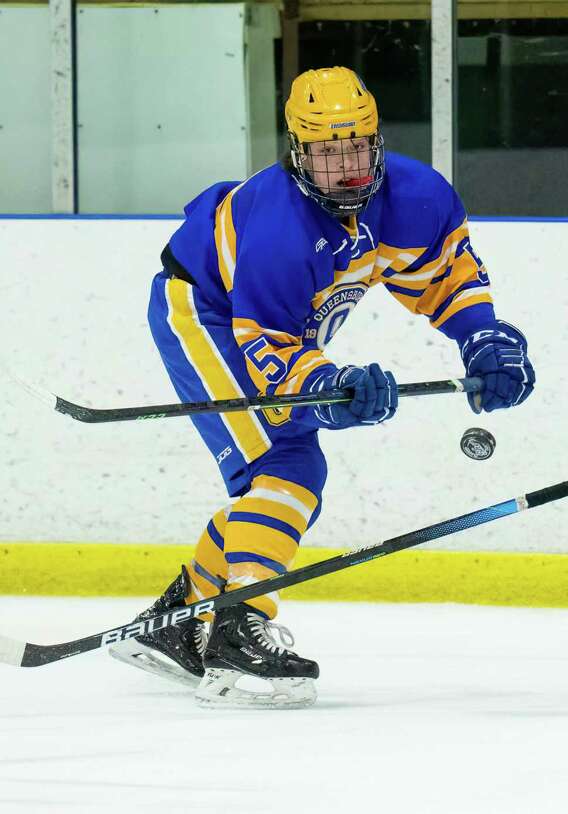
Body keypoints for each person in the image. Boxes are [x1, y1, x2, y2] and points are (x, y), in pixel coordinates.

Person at [109, 67, 536, 708]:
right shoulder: (281, 230)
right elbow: (272, 350)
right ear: (298, 151)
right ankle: (235, 633)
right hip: (206, 309)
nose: (346, 168)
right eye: (327, 153)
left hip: (254, 317)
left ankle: (181, 619)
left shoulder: (417, 197)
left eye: (357, 147)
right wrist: (331, 388)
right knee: (286, 462)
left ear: (377, 142)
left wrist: (484, 337)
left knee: (283, 467)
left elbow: (446, 278)